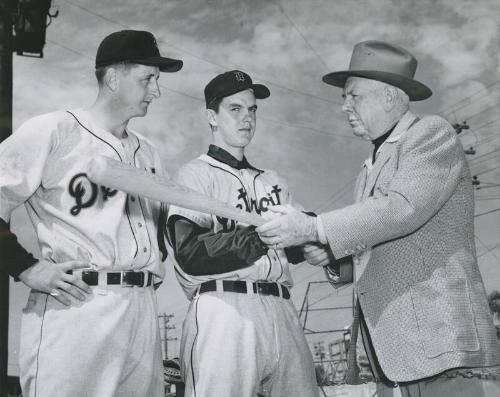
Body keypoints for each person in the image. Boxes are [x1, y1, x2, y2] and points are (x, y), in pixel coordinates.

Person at [256, 40, 500, 396]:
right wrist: (334, 259)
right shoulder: (370, 168)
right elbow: (389, 247)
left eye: (353, 96)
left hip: (442, 346)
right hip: (396, 357)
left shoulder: (431, 134)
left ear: (388, 96)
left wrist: (315, 227)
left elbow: (401, 208)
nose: (344, 107)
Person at [0, 29, 182, 397]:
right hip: (79, 306)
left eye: (157, 81)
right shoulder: (55, 130)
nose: (156, 91)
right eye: (148, 78)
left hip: (142, 311)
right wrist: (24, 266)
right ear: (113, 77)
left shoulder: (148, 153)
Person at [165, 70, 319, 397]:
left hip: (281, 308)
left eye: (252, 110)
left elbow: (299, 238)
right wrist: (258, 238)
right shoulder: (194, 175)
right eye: (235, 109)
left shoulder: (272, 180)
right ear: (212, 117)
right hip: (224, 309)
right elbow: (189, 252)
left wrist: (311, 243)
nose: (246, 118)